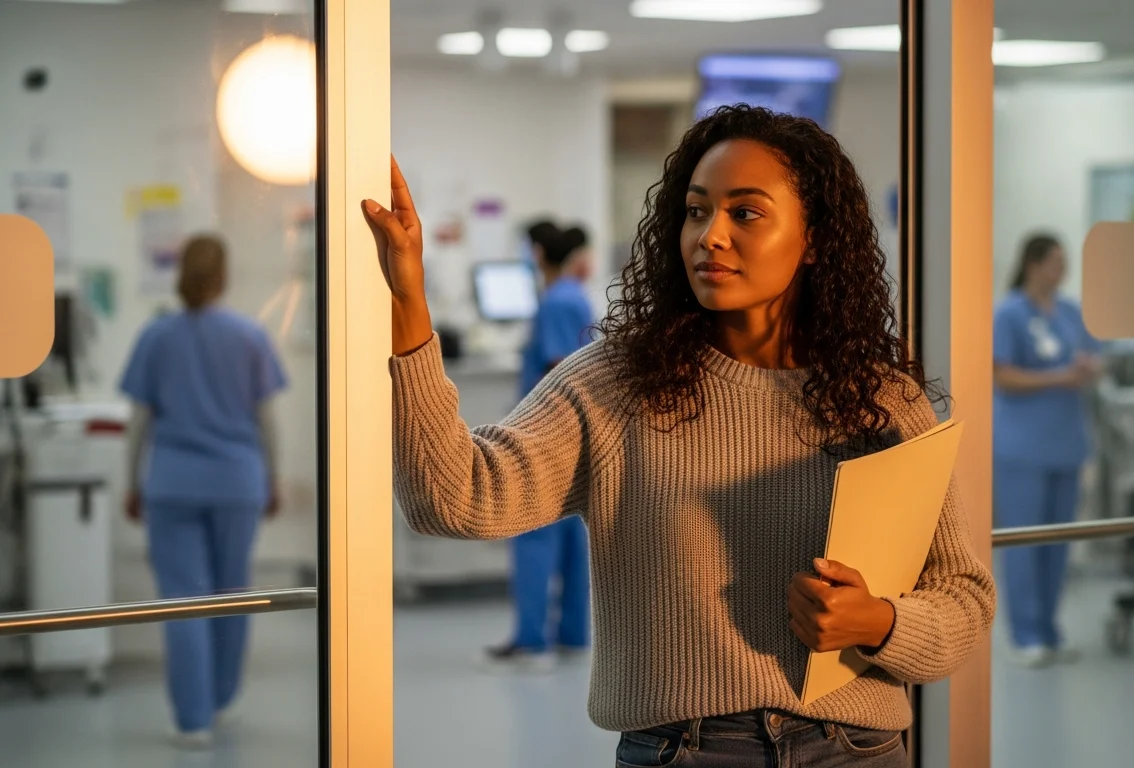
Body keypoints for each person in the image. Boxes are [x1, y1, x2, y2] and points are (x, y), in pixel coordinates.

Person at [364, 105, 995, 767]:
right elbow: (452, 498)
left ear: (814, 238)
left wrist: (880, 623)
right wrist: (408, 304)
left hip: (857, 750)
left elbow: (962, 600)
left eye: (744, 213)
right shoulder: (617, 383)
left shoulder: (883, 400)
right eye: (697, 211)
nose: (710, 236)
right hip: (686, 753)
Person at [120, 234, 286, 749]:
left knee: (183, 602)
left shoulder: (157, 336)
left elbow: (139, 421)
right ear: (223, 277)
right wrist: (272, 479)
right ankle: (222, 698)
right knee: (231, 591)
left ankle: (193, 720)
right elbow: (266, 420)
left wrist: (132, 483)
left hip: (172, 483)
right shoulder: (249, 336)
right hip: (237, 482)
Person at [485, 222, 597, 671]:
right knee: (572, 535)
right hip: (577, 436)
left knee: (533, 535)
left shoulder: (554, 302)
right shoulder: (574, 296)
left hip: (546, 436)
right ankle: (572, 635)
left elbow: (557, 369)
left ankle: (531, 642)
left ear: (535, 253)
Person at [991, 233, 1100, 667]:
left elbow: (1094, 355)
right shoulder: (1010, 314)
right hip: (1023, 448)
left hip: (1066, 444)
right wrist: (1058, 378)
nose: (1063, 270)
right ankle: (1026, 634)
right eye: (1056, 261)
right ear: (1033, 264)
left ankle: (1051, 631)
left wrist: (1091, 368)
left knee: (1059, 544)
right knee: (1025, 543)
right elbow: (1002, 376)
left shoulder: (1071, 312)